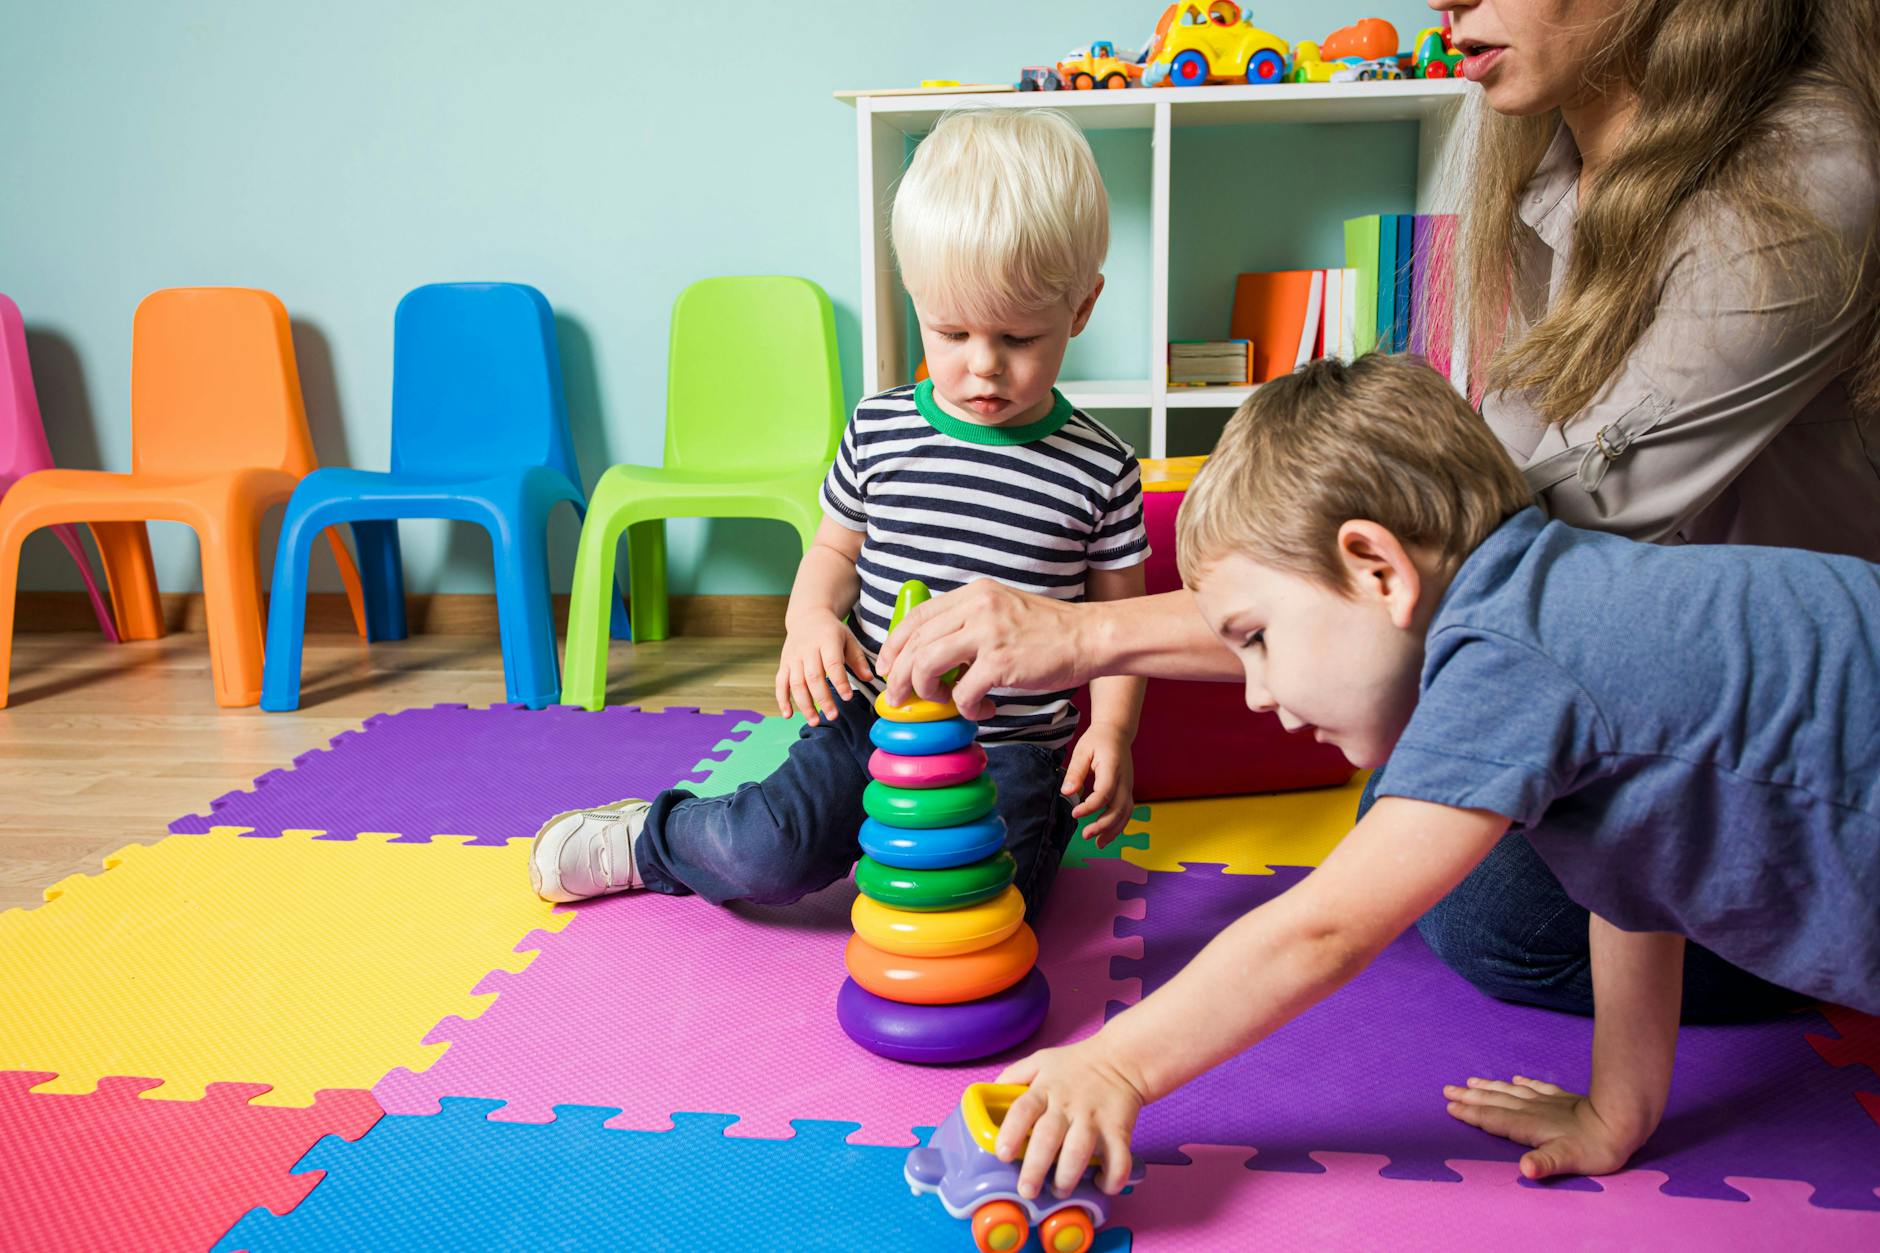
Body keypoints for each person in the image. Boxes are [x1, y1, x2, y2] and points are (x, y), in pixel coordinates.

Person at [880, 0, 1879, 1019]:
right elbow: (1483, 546)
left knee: (1471, 899)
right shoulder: (1548, 162)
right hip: (1632, 682)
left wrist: (1106, 1065)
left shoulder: (1794, 192)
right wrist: (1618, 1107)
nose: (1442, 4)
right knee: (1423, 805)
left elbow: (1481, 575)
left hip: (1796, 740)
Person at [981, 353, 1880, 1204]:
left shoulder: (1510, 652)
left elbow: (1324, 928)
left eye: (1256, 637)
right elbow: (1634, 880)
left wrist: (1115, 1064)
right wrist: (1618, 1110)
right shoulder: (1562, 603)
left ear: (1378, 569)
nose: (1254, 692)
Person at [526, 107, 1148, 916]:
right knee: (767, 852)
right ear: (915, 298)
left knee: (989, 907)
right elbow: (832, 553)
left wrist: (1113, 732)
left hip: (1013, 751)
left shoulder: (1102, 466)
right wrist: (810, 621)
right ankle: (654, 837)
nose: (983, 367)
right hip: (873, 720)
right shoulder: (880, 429)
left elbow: (1121, 625)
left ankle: (881, 848)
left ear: (1083, 309)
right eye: (951, 331)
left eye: (1020, 337)